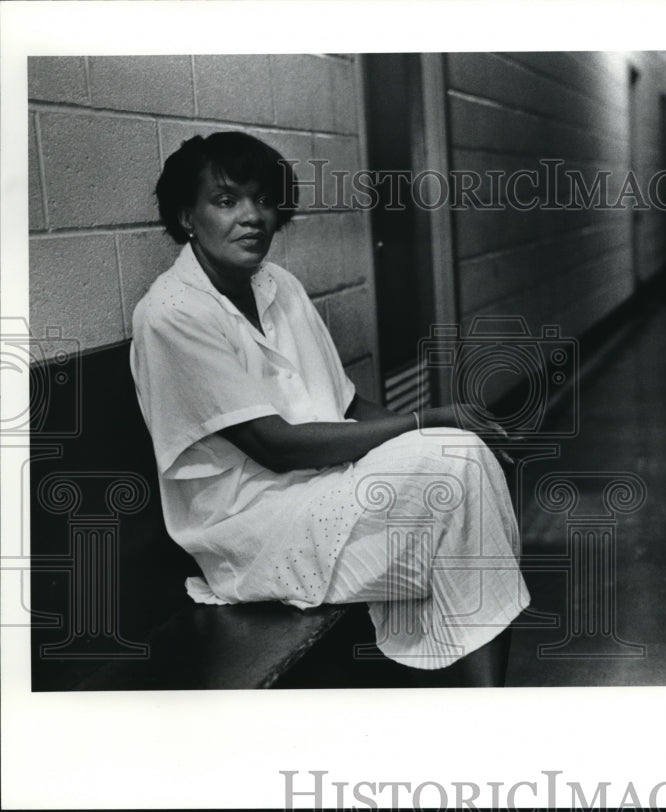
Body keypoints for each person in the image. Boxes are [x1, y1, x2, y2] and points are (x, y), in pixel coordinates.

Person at [130, 131, 529, 687]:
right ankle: (482, 701)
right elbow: (274, 446)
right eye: (226, 201)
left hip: (325, 486)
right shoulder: (172, 313)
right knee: (458, 472)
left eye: (264, 200)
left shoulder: (279, 285)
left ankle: (482, 703)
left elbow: (347, 404)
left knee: (464, 461)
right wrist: (428, 420)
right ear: (187, 216)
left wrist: (444, 435)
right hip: (252, 525)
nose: (252, 217)